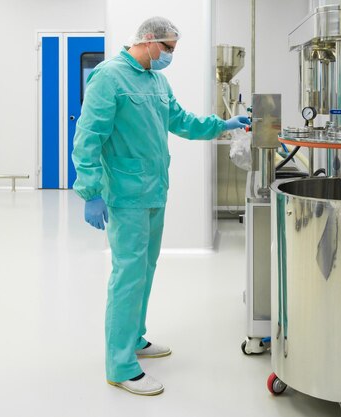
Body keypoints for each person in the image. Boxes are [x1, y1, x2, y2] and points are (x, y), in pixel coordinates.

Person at [71, 16, 251, 396]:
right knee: (128, 275)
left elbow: (182, 122)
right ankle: (120, 365)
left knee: (145, 270)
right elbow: (88, 136)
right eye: (168, 48)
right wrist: (90, 191)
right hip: (124, 194)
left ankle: (134, 339)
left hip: (154, 191)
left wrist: (223, 124)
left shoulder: (156, 80)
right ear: (149, 40)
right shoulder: (108, 77)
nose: (170, 55)